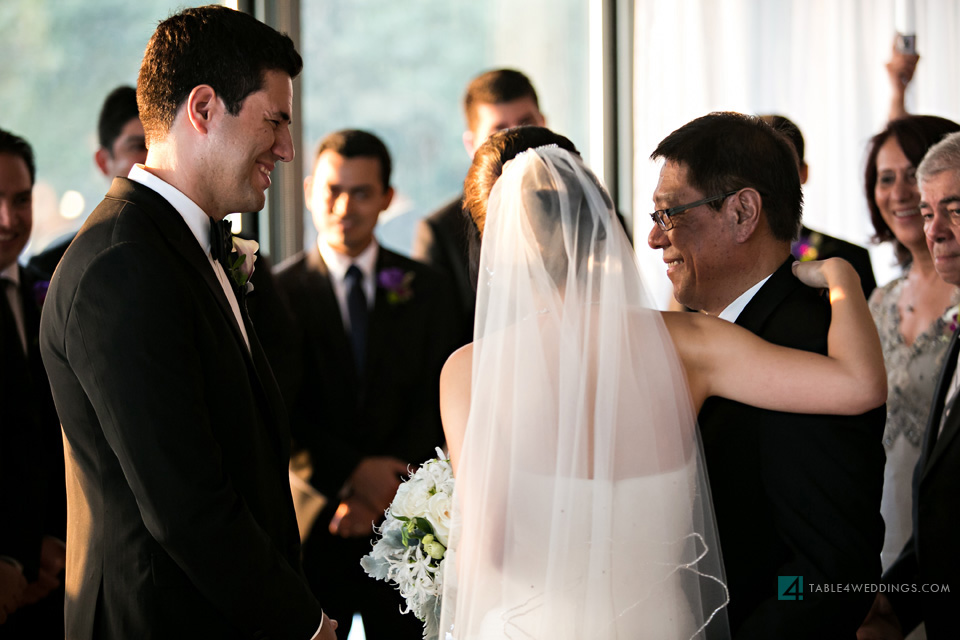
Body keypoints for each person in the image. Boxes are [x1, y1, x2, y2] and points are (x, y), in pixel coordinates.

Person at [437, 126, 886, 639]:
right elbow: (860, 384)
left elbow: (486, 551)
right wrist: (843, 279)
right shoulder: (692, 342)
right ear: (598, 219)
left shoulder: (468, 372)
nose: (655, 233)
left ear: (496, 245)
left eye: (668, 213)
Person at [38, 7, 335, 639]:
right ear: (203, 108)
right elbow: (185, 504)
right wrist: (303, 623)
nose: (286, 148)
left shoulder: (182, 247)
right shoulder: (123, 266)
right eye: (275, 120)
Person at [647, 112, 887, 637]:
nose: (652, 237)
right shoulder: (711, 335)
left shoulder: (806, 341)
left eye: (668, 214)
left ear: (742, 212)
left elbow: (831, 573)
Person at [275, 129, 460, 639]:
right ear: (311, 190)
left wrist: (387, 487)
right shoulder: (274, 293)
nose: (344, 206)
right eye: (333, 189)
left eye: (361, 192)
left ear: (387, 198)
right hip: (314, 525)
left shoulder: (429, 289)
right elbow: (278, 411)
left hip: (407, 527)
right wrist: (351, 476)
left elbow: (438, 396)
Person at [858, 131, 960, 640]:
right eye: (928, 210)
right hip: (890, 533)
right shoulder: (877, 298)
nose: (937, 227)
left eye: (955, 209)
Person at [412, 69, 546, 343]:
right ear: (472, 144)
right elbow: (437, 342)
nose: (518, 142)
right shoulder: (440, 232)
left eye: (526, 124)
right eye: (500, 131)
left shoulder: (597, 214)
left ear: (544, 124)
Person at [0, 129, 66, 638]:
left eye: (20, 200)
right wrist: (13, 554)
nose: (8, 220)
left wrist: (53, 543)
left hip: (59, 573)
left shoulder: (45, 292)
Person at [28, 86, 147, 277]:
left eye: (158, 146)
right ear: (103, 162)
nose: (152, 158)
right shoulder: (54, 269)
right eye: (139, 146)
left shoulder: (197, 247)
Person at [759, 114, 877, 297]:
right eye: (756, 169)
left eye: (782, 167)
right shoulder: (716, 265)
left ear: (803, 172)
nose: (767, 180)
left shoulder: (851, 259)